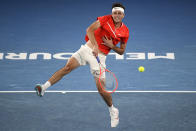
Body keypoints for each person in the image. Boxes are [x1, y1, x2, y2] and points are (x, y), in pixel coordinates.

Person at [35, 2, 129, 128]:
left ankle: (113, 110)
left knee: (101, 89)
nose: (116, 15)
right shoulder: (106, 19)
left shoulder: (125, 31)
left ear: (123, 15)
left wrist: (112, 46)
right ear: (112, 13)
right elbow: (89, 29)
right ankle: (43, 88)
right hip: (86, 50)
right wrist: (95, 45)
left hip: (100, 58)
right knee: (67, 68)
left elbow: (122, 51)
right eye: (115, 13)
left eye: (119, 13)